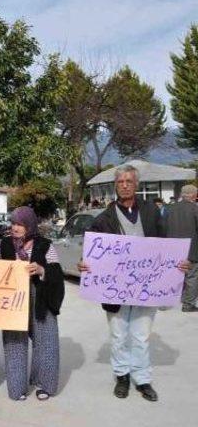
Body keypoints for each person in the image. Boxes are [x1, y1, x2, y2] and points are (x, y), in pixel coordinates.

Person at [78, 165, 190, 402]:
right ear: (115, 186)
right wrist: (84, 264)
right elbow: (92, 253)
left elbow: (166, 243)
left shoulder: (151, 212)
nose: (125, 185)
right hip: (115, 290)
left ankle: (142, 378)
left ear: (136, 185)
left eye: (129, 181)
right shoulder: (103, 219)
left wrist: (177, 264)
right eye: (121, 181)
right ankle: (122, 376)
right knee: (119, 336)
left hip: (146, 288)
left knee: (141, 336)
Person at [0, 206, 65, 401]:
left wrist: (41, 270)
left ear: (30, 225)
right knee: (14, 343)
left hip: (41, 298)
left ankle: (45, 384)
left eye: (20, 224)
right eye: (13, 223)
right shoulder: (3, 245)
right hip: (13, 301)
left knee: (46, 341)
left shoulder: (45, 245)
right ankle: (17, 388)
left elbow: (57, 273)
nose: (16, 228)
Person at [165, 184, 198, 312]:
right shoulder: (195, 209)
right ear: (193, 195)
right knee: (192, 276)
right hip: (192, 248)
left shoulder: (169, 208)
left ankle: (167, 300)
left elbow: (163, 227)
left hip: (173, 248)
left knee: (174, 274)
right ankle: (188, 304)